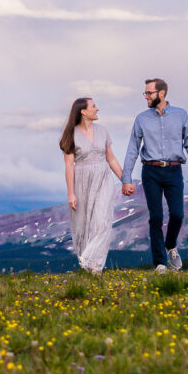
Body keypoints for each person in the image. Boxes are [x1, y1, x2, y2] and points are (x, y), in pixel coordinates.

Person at [121, 78, 188, 273]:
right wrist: (126, 179)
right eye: (145, 93)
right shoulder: (141, 119)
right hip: (151, 171)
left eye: (149, 93)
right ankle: (160, 263)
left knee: (177, 214)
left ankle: (171, 245)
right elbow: (133, 148)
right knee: (155, 216)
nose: (146, 96)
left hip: (174, 171)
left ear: (162, 93)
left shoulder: (180, 115)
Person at [60, 97, 124, 274]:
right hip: (81, 180)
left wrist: (124, 179)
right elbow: (69, 166)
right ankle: (91, 269)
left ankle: (91, 260)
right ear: (83, 111)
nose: (97, 109)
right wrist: (71, 193)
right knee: (82, 224)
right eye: (93, 106)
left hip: (103, 178)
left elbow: (111, 158)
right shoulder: (70, 135)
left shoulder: (103, 131)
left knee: (102, 221)